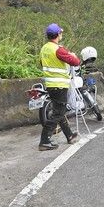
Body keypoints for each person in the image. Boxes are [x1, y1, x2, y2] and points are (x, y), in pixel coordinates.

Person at [38, 23, 81, 151]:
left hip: (50, 84)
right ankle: (44, 140)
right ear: (58, 35)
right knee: (58, 113)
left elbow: (41, 62)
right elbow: (76, 62)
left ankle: (70, 136)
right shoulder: (58, 49)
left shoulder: (44, 48)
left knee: (59, 111)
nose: (61, 34)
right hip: (59, 85)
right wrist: (72, 56)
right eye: (61, 33)